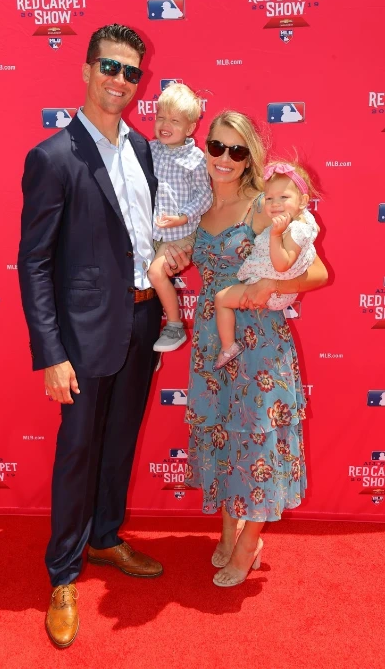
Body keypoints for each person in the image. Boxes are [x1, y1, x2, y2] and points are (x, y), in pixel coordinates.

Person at [18, 23, 190, 648]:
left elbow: (144, 237)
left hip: (143, 321)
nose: (120, 81)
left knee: (119, 442)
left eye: (131, 72)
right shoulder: (53, 156)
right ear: (87, 70)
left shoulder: (145, 151)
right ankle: (63, 573)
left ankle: (107, 536)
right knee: (79, 451)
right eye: (110, 68)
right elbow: (35, 262)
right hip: (83, 333)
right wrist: (51, 352)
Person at [185, 110, 328, 588]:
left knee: (259, 443)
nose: (224, 158)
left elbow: (318, 272)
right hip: (214, 343)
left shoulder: (262, 205)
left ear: (250, 159)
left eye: (237, 150)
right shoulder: (200, 206)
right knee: (226, 439)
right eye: (216, 146)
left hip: (259, 346)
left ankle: (249, 543)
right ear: (205, 148)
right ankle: (229, 530)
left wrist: (269, 280)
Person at [213, 160, 319, 369]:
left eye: (284, 197)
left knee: (221, 299)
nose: (275, 203)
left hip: (269, 303)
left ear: (302, 201)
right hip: (251, 303)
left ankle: (228, 346)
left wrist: (275, 236)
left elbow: (285, 265)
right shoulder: (299, 222)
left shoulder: (295, 229)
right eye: (270, 198)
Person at [148, 83, 212, 352]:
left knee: (155, 272)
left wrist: (182, 218)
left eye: (174, 120)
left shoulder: (196, 159)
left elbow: (205, 196)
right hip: (151, 232)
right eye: (161, 117)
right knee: (141, 284)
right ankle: (147, 341)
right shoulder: (149, 150)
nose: (165, 125)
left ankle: (174, 327)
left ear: (189, 128)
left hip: (182, 234)